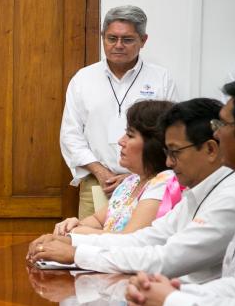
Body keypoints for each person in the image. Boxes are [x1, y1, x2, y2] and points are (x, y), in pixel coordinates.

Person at [29, 98, 235, 284]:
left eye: (175, 152)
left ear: (210, 149)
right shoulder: (198, 193)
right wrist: (72, 241)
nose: (168, 162)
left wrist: (76, 253)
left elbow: (165, 258)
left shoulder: (228, 198)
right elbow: (144, 239)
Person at [126, 81, 235, 306]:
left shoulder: (229, 196)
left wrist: (170, 302)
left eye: (223, 125)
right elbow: (231, 287)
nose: (216, 134)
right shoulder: (206, 190)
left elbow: (166, 259)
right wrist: (174, 293)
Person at [60, 5, 181, 219]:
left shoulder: (161, 79)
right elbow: (70, 135)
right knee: (88, 244)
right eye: (111, 38)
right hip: (97, 182)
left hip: (149, 183)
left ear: (143, 40)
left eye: (127, 40)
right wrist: (100, 172)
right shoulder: (83, 79)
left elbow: (172, 134)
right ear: (102, 37)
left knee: (140, 243)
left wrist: (133, 176)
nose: (118, 46)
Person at [54, 100, 177, 236]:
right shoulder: (131, 181)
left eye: (130, 135)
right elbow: (98, 220)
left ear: (154, 143)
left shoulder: (165, 184)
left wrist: (78, 232)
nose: (120, 141)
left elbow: (130, 240)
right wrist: (73, 224)